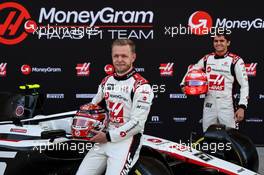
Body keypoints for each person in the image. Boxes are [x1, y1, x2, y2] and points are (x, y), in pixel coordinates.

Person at [76, 39, 154, 175]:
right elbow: (92, 109)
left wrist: (108, 136)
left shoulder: (141, 86)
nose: (119, 60)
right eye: (116, 56)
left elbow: (137, 124)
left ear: (133, 57)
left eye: (124, 56)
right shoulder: (106, 81)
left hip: (126, 141)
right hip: (103, 139)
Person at [180, 32, 249, 132]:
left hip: (227, 104)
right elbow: (192, 69)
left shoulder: (236, 60)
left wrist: (242, 106)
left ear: (228, 43)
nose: (218, 43)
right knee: (208, 133)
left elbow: (244, 85)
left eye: (222, 41)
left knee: (230, 136)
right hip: (209, 102)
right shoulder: (207, 58)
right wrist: (183, 84)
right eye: (216, 41)